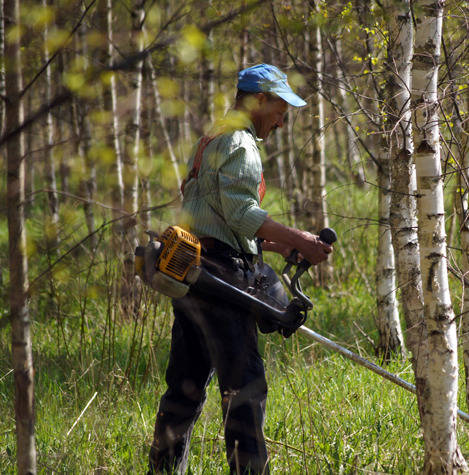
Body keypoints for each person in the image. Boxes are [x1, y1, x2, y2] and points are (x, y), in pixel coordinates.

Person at [148, 64, 332, 474]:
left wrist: (277, 243)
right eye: (281, 110)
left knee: (184, 388)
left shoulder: (211, 137)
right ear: (259, 100)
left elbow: (215, 218)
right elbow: (243, 211)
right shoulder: (240, 143)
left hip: (194, 273)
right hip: (223, 279)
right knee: (244, 388)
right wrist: (301, 239)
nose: (283, 122)